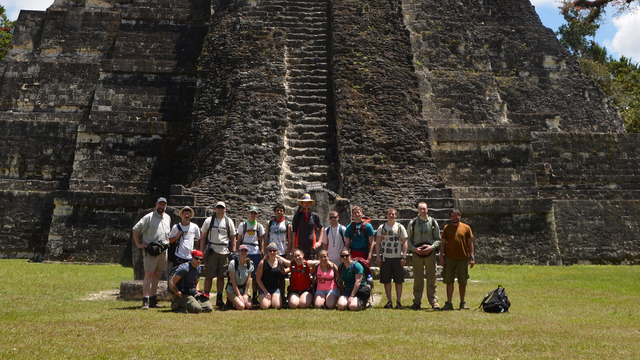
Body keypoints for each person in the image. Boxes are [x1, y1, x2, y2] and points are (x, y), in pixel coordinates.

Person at [132, 197, 171, 310]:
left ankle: (153, 299)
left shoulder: (167, 217)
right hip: (151, 250)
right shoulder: (148, 217)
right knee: (148, 274)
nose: (161, 206)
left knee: (156, 274)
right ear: (156, 205)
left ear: (165, 206)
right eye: (160, 204)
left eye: (163, 205)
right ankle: (145, 299)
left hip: (163, 250)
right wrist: (139, 244)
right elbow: (135, 229)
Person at [200, 201, 237, 307]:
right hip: (212, 250)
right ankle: (205, 297)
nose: (220, 210)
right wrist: (202, 251)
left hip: (224, 251)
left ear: (225, 209)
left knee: (221, 276)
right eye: (218, 207)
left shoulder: (228, 221)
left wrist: (233, 252)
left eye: (222, 208)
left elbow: (233, 237)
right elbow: (203, 236)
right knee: (209, 275)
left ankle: (219, 298)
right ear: (215, 209)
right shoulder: (209, 221)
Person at [407, 202, 442, 310]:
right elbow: (408, 240)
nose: (422, 211)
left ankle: (434, 302)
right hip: (417, 255)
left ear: (427, 210)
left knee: (432, 279)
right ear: (417, 210)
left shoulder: (432, 222)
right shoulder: (412, 223)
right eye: (420, 209)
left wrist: (431, 247)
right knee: (418, 279)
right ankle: (417, 301)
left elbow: (438, 239)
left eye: (424, 209)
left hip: (430, 254)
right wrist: (414, 249)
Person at [439, 208, 475, 310]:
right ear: (450, 217)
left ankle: (462, 302)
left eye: (456, 215)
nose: (455, 217)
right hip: (449, 259)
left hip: (462, 259)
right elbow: (443, 243)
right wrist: (441, 257)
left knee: (462, 282)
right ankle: (449, 303)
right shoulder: (447, 228)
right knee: (449, 281)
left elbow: (470, 243)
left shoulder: (466, 228)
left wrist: (472, 257)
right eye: (452, 216)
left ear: (460, 216)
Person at [375, 207, 408, 309]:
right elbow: (378, 243)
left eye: (393, 214)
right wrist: (378, 257)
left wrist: (404, 256)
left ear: (396, 215)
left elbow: (405, 242)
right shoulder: (382, 227)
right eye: (389, 214)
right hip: (385, 258)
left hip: (397, 257)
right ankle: (389, 301)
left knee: (398, 281)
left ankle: (398, 301)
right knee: (387, 280)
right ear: (386, 215)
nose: (391, 215)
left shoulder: (400, 227)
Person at [236, 205, 265, 304]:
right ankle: (244, 293)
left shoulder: (259, 226)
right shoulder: (243, 225)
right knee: (244, 274)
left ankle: (255, 295)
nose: (253, 215)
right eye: (251, 213)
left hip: (255, 251)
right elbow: (239, 238)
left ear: (257, 214)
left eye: (254, 213)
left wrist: (262, 251)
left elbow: (262, 239)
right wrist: (237, 251)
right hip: (245, 251)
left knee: (255, 276)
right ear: (248, 214)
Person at [291, 193, 324, 260]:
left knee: (311, 265)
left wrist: (319, 241)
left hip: (311, 246)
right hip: (300, 245)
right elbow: (294, 231)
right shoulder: (298, 216)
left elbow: (321, 228)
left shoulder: (314, 216)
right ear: (302, 204)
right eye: (304, 203)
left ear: (310, 203)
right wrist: (294, 246)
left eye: (308, 202)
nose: (306, 204)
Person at [256, 242, 288, 310]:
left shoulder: (280, 262)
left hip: (275, 288)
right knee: (265, 306)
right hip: (264, 288)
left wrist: (292, 267)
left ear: (277, 251)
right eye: (270, 250)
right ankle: (266, 299)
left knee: (277, 306)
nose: (272, 252)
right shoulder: (262, 263)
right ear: (267, 251)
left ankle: (272, 299)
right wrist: (265, 291)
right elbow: (258, 279)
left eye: (274, 250)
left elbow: (284, 271)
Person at [226, 245, 254, 310]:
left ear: (247, 253)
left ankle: (236, 301)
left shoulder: (250, 263)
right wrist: (238, 295)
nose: (243, 253)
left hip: (243, 288)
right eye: (241, 251)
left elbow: (248, 281)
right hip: (232, 289)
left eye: (245, 251)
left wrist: (245, 294)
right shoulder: (233, 263)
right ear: (238, 252)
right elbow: (233, 281)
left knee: (250, 306)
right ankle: (231, 300)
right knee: (241, 306)